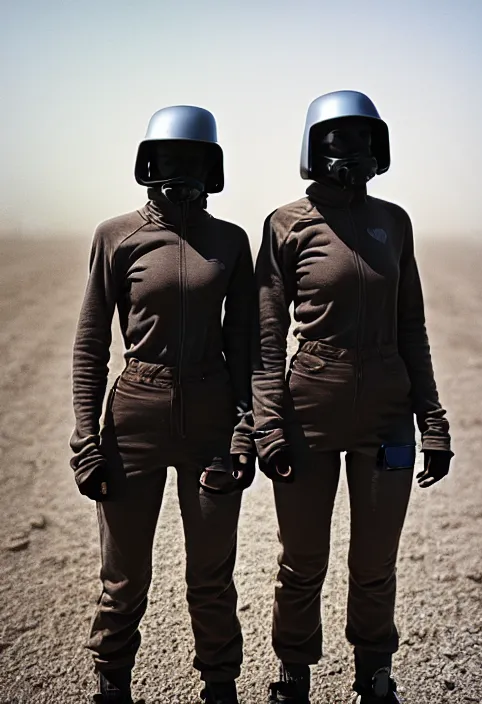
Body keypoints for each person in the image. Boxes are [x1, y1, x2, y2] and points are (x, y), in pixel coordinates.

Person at [248, 91, 454, 703]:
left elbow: (411, 326)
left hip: (388, 412)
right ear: (314, 148)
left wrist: (433, 422)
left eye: (366, 142)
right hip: (310, 406)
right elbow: (266, 338)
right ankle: (293, 668)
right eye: (340, 141)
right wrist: (269, 425)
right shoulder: (285, 224)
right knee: (302, 559)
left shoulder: (394, 222)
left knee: (374, 563)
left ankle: (375, 670)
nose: (354, 154)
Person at [69, 105, 255, 704]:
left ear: (214, 167)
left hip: (211, 419)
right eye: (170, 157)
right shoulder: (115, 236)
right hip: (135, 420)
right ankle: (111, 684)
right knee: (124, 578)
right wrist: (86, 441)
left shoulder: (230, 242)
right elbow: (91, 345)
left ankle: (220, 686)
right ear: (147, 164)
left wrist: (245, 431)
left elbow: (247, 346)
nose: (182, 169)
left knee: (211, 575)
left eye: (195, 158)